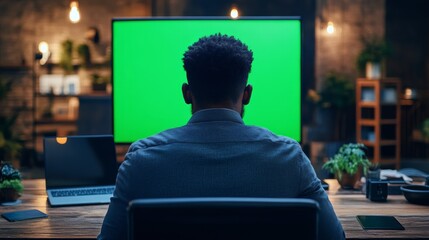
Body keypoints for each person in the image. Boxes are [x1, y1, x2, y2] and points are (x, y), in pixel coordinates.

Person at [98, 33, 345, 239]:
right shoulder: (291, 158)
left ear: (186, 93)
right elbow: (334, 237)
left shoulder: (141, 160)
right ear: (247, 94)